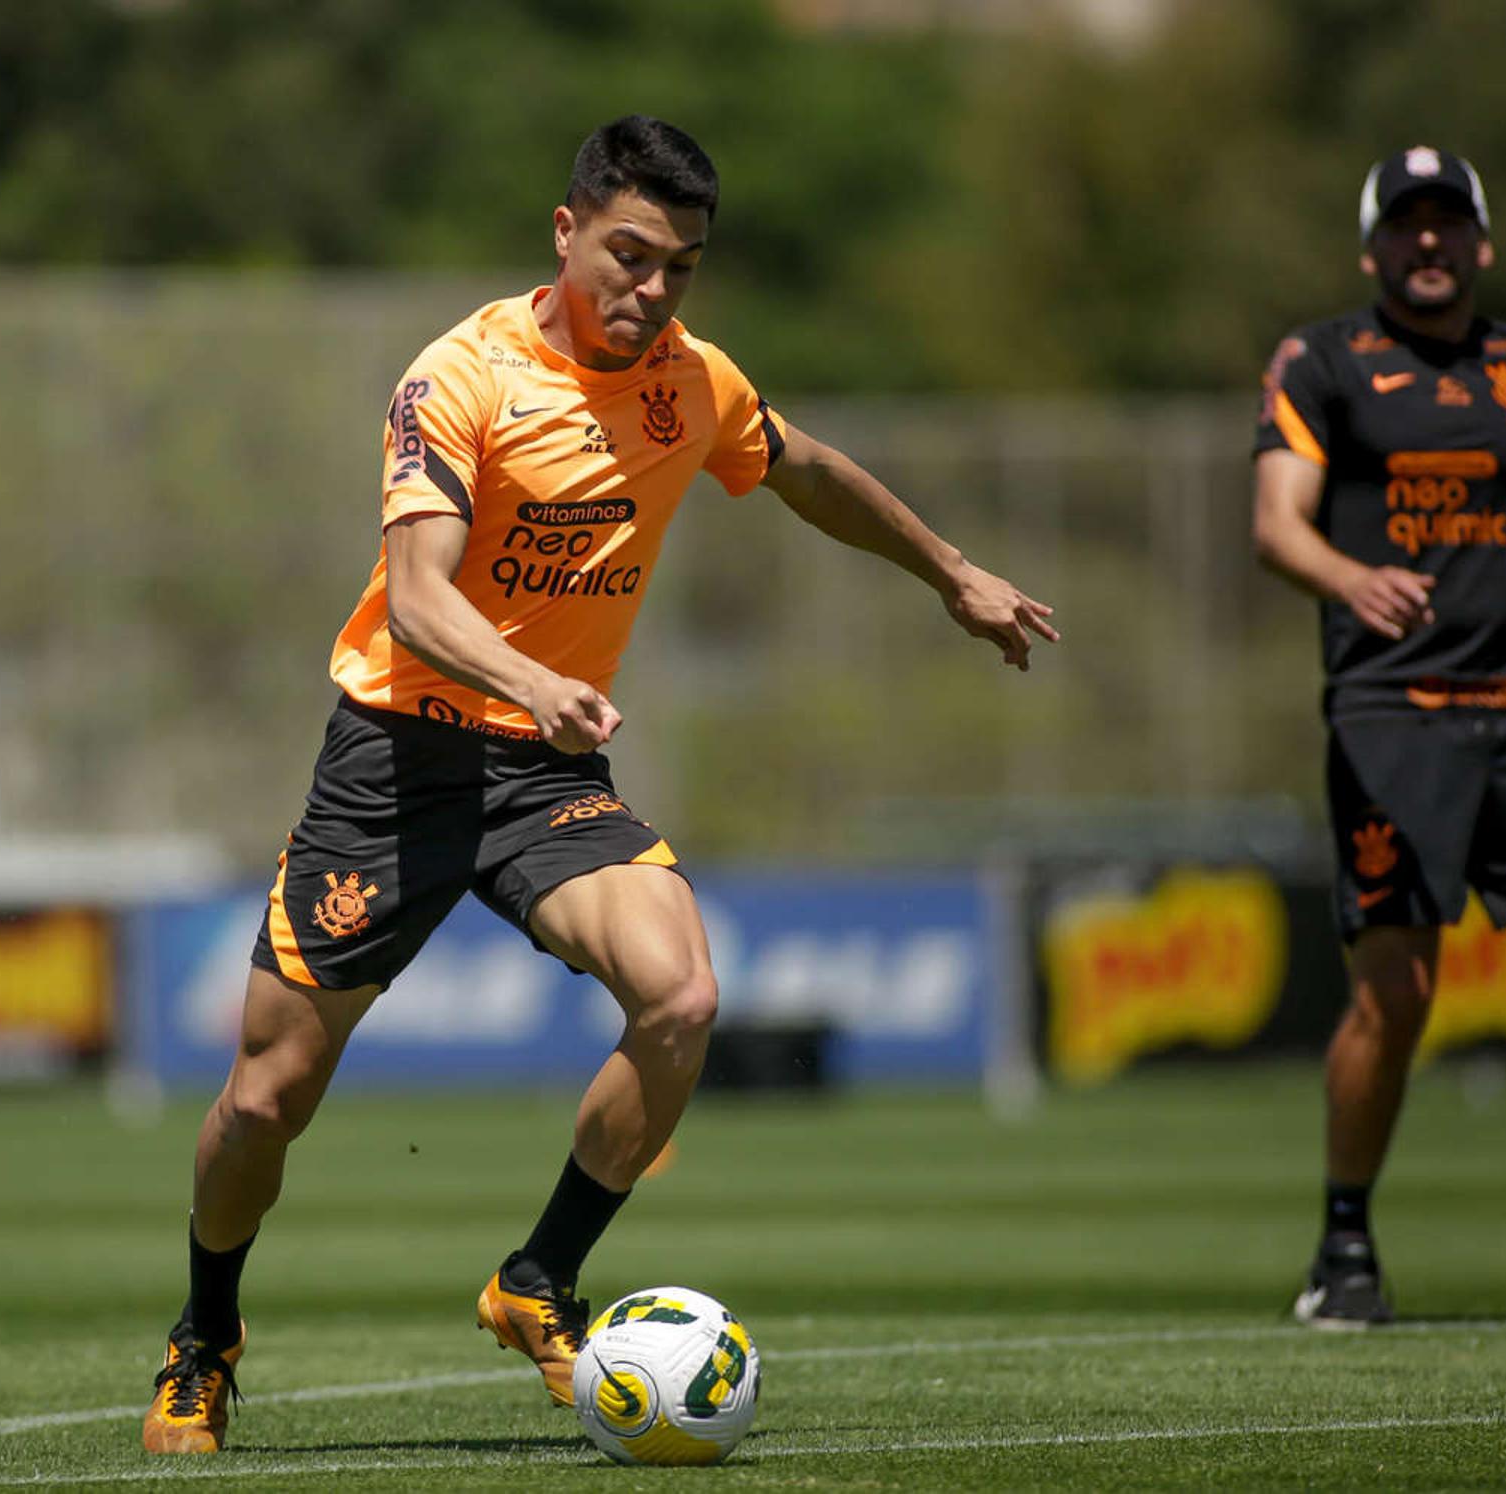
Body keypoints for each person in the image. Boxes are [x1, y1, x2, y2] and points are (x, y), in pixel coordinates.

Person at [142, 114, 1058, 1454]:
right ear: (566, 233)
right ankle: (204, 1335)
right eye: (631, 256)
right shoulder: (460, 375)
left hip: (541, 769)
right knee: (265, 1100)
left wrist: (954, 572)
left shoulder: (694, 381)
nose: (654, 289)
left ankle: (536, 1280)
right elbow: (414, 596)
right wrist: (528, 677)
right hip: (395, 763)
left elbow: (803, 469)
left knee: (681, 992)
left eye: (681, 266)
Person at [1250, 146, 1506, 1331]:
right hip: (1391, 719)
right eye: (1406, 225)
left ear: (1481, 243)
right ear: (1373, 245)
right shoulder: (1323, 362)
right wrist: (1350, 577)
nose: (1427, 244)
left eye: (1448, 225)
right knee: (1400, 989)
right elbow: (1278, 527)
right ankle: (1345, 1251)